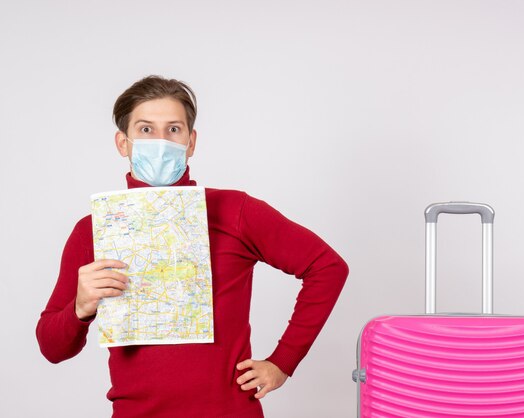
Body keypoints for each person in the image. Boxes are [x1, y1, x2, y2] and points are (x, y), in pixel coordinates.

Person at [36, 75, 349, 418]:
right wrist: (80, 307)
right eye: (145, 130)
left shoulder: (234, 211)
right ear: (122, 143)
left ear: (191, 141)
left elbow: (327, 267)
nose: (161, 141)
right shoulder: (93, 229)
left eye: (173, 129)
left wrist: (282, 362)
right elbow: (52, 347)